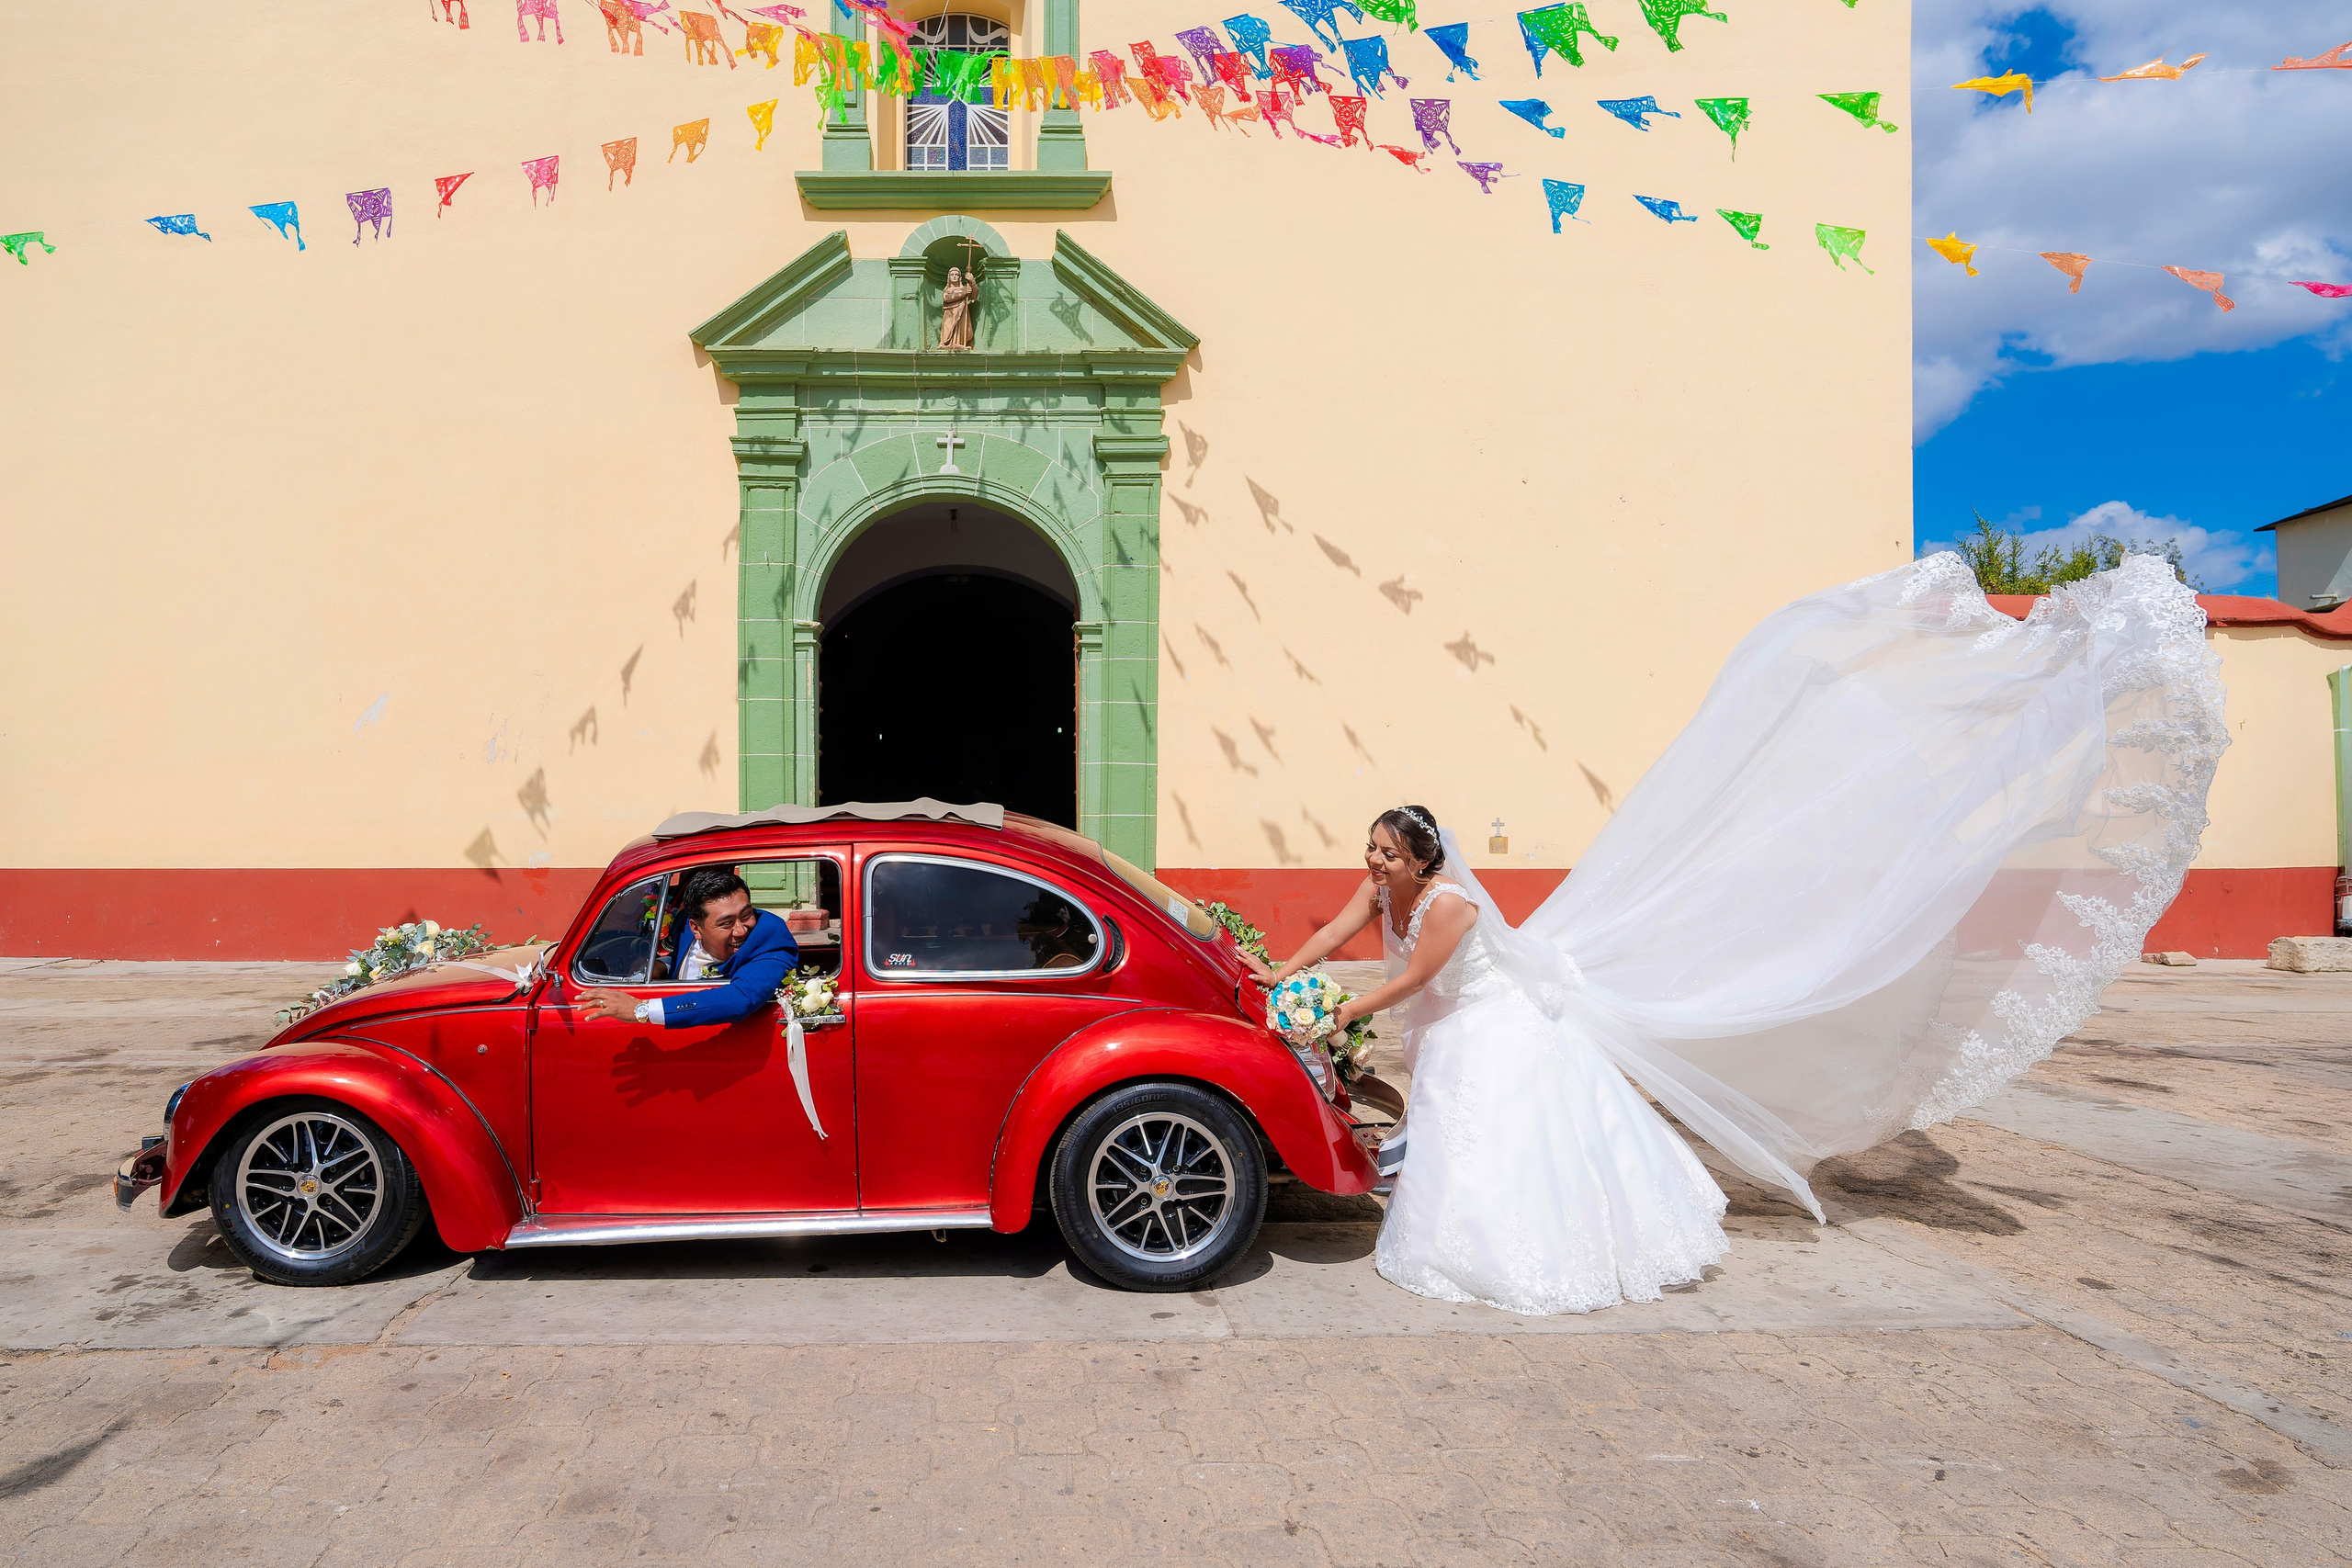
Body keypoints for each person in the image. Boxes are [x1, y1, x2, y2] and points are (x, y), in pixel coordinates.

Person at [1253, 553, 2226, 1315]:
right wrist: (1275, 971)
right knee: (1446, 1119)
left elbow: (1405, 980)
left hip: (1484, 1021)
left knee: (1486, 1128)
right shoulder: (1379, 889)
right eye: (1370, 851)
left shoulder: (1453, 908)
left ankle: (1509, 1250)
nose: (1371, 863)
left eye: (1384, 852)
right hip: (1447, 1022)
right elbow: (1335, 931)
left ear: (1422, 858)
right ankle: (1442, 1229)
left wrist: (1332, 1006)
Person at [576, 866, 798, 1028]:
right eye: (726, 923)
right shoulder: (683, 923)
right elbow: (685, 956)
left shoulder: (771, 941)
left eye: (746, 915)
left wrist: (641, 1009)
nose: (741, 930)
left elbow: (740, 998)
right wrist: (662, 966)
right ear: (696, 928)